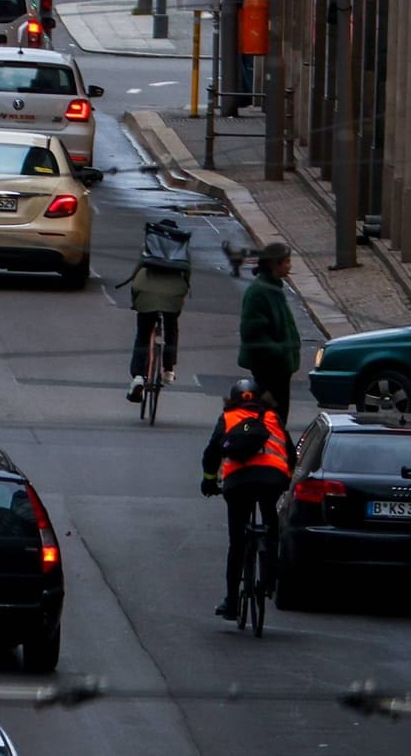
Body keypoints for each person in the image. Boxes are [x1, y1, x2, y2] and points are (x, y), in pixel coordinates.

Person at [201, 379, 294, 618]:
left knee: (237, 542)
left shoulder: (228, 418)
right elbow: (291, 452)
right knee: (270, 517)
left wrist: (209, 480)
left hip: (238, 482)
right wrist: (288, 478)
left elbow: (212, 452)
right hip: (273, 479)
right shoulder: (272, 417)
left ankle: (232, 602)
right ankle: (271, 573)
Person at [124, 225, 191, 401]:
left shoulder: (147, 245)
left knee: (143, 336)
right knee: (171, 330)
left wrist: (135, 302)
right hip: (173, 295)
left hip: (146, 292)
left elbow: (137, 272)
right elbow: (187, 276)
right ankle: (168, 369)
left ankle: (138, 377)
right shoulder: (183, 250)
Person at [238, 242, 301, 425]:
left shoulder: (274, 288)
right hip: (269, 366)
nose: (289, 266)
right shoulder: (259, 291)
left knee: (278, 414)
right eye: (286, 262)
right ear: (274, 264)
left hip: (279, 367)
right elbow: (252, 331)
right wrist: (279, 352)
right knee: (273, 416)